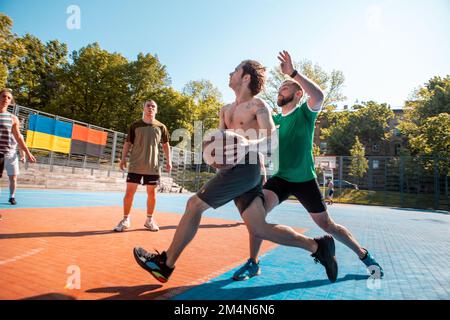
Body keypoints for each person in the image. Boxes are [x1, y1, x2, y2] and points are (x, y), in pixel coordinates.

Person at [133, 60, 338, 284]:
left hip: (248, 167)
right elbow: (218, 146)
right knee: (258, 227)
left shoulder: (258, 106)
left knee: (194, 205)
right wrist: (212, 157)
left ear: (246, 77)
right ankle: (318, 246)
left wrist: (246, 145)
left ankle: (166, 264)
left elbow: (272, 141)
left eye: (236, 70)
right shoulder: (225, 110)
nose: (230, 73)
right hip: (237, 170)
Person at [232, 51, 384, 281]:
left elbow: (319, 95)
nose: (280, 89)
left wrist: (292, 73)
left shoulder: (304, 113)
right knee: (256, 215)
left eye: (285, 86)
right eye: (280, 87)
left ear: (298, 93)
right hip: (280, 178)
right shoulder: (275, 121)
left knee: (327, 224)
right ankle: (253, 263)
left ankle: (364, 255)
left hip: (304, 179)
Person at [113, 100, 172, 232]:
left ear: (156, 110)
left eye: (153, 106)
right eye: (148, 106)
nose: (150, 108)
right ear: (143, 108)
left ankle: (149, 220)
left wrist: (169, 161)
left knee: (152, 193)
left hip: (153, 166)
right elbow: (128, 143)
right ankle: (125, 219)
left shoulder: (161, 127)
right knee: (129, 193)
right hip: (135, 165)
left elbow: (165, 145)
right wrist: (122, 159)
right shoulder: (135, 126)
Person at [0, 88, 36, 207]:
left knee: (13, 177)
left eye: (8, 98)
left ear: (11, 102)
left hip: (9, 153)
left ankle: (12, 196)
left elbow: (19, 138)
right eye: (3, 96)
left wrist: (27, 153)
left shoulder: (13, 118)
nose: (6, 99)